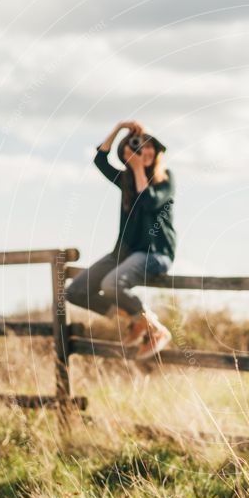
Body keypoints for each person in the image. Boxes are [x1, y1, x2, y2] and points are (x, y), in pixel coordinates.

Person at [66, 120, 175, 359]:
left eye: (149, 146)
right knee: (75, 291)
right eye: (138, 146)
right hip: (124, 253)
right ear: (128, 151)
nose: (144, 151)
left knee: (111, 284)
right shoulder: (125, 181)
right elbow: (100, 160)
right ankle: (138, 321)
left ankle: (155, 328)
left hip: (155, 254)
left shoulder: (165, 180)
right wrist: (119, 129)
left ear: (156, 151)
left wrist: (137, 169)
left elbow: (149, 202)